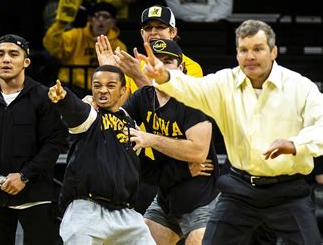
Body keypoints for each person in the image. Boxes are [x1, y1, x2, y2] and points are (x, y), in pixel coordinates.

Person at [138, 19, 323, 244]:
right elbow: (192, 89)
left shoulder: (299, 86)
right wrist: (165, 78)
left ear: (273, 52)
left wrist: (297, 144)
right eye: (243, 50)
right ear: (236, 54)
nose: (250, 56)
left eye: (258, 49)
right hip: (240, 190)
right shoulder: (224, 81)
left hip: (288, 190)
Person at [0, 34, 65, 245]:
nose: (6, 59)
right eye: (1, 54)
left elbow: (53, 144)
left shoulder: (43, 96)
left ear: (26, 62)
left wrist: (24, 176)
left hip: (35, 195)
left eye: (13, 54)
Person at [122, 39, 220, 245]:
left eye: (168, 62)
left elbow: (197, 152)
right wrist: (91, 102)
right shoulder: (142, 97)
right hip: (166, 200)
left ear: (181, 68)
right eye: (157, 61)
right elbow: (113, 125)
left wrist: (151, 139)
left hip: (203, 203)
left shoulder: (193, 99)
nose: (160, 67)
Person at [48, 65, 155, 244]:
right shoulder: (91, 115)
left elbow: (144, 167)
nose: (103, 90)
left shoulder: (131, 124)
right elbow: (75, 111)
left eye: (110, 85)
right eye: (97, 86)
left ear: (123, 91)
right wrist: (63, 98)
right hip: (86, 210)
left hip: (126, 213)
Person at [96, 5, 203, 98]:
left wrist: (138, 76)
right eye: (148, 28)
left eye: (160, 27)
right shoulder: (135, 67)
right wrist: (109, 72)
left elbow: (174, 109)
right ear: (142, 34)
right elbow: (119, 108)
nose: (153, 32)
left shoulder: (191, 67)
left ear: (173, 32)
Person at [43, 0, 127, 96]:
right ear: (90, 19)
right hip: (72, 88)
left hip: (103, 91)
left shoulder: (119, 46)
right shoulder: (76, 35)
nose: (101, 20)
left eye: (106, 17)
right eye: (97, 16)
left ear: (113, 22)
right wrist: (61, 23)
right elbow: (51, 45)